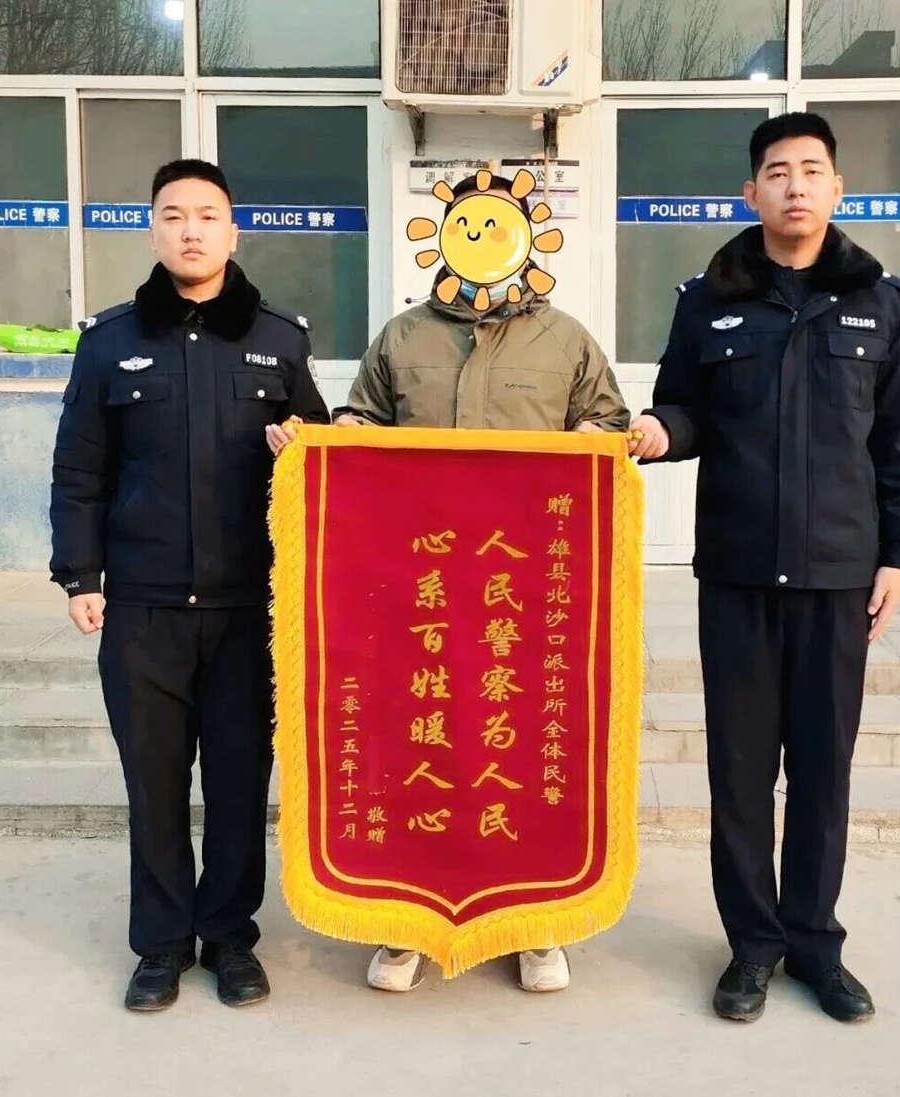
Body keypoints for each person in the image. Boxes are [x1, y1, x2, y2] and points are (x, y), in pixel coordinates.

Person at [269, 173, 629, 994]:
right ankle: (405, 924)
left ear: (528, 239)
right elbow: (360, 425)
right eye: (469, 225)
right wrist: (330, 441)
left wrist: (592, 436)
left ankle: (535, 924)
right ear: (442, 234)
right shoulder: (402, 337)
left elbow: (607, 425)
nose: (484, 240)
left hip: (522, 596)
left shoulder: (566, 340)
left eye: (500, 227)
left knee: (523, 745)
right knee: (417, 742)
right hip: (417, 589)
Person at [628, 113, 900, 1023]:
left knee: (823, 772)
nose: (794, 185)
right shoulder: (708, 299)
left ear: (837, 188)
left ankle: (815, 944)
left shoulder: (881, 302)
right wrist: (658, 430)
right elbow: (683, 406)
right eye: (776, 171)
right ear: (750, 192)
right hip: (738, 575)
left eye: (810, 169)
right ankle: (752, 947)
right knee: (739, 772)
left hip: (839, 576)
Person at [50, 159, 330, 1012]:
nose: (191, 230)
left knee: (240, 781)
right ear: (153, 231)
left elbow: (325, 461)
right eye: (173, 215)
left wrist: (302, 443)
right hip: (145, 605)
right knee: (156, 782)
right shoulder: (110, 342)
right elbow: (79, 469)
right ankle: (163, 944)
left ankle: (230, 937)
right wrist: (80, 573)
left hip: (250, 607)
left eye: (207, 215)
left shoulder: (280, 341)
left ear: (233, 231)